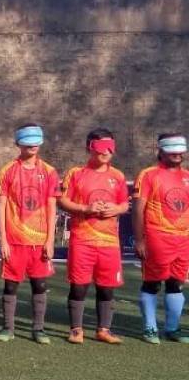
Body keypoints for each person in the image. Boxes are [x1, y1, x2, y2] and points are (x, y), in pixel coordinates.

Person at [59, 128, 129, 344]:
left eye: (111, 146)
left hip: (109, 242)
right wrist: (85, 209)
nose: (107, 151)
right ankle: (76, 330)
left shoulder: (117, 176)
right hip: (83, 240)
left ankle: (103, 329)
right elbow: (62, 200)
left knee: (107, 287)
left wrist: (116, 209)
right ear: (90, 147)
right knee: (79, 285)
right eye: (102, 146)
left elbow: (125, 204)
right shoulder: (76, 173)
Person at [0, 124, 60, 344]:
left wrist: (50, 240)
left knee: (39, 285)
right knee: (11, 285)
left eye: (36, 140)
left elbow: (52, 207)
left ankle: (38, 329)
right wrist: (2, 240)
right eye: (27, 139)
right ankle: (8, 327)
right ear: (18, 142)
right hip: (14, 240)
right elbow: (1, 206)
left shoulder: (49, 172)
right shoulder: (8, 170)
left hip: (40, 242)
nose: (32, 144)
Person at [132, 133, 189, 344]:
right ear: (161, 150)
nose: (177, 154)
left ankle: (172, 328)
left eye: (180, 149)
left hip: (182, 241)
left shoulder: (187, 176)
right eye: (171, 149)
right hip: (157, 238)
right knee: (153, 283)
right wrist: (139, 240)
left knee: (176, 283)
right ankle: (150, 328)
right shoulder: (149, 175)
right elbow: (138, 209)